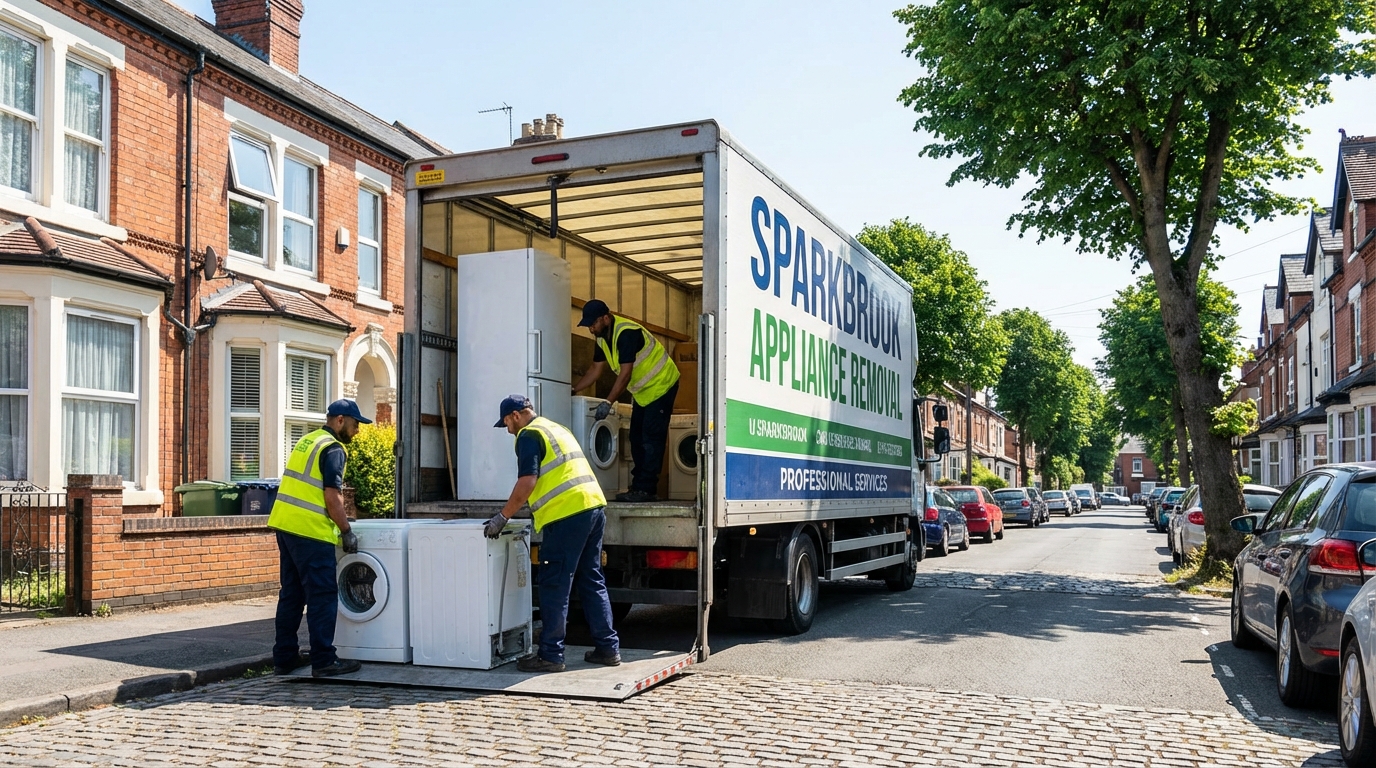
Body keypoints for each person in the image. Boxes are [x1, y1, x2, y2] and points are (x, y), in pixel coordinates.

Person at [486, 394, 620, 672]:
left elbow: (527, 481)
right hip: (593, 507)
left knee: (554, 584)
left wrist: (503, 516)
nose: (508, 429)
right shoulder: (556, 428)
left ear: (516, 415)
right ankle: (608, 649)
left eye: (507, 423)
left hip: (566, 515)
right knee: (591, 579)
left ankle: (551, 655)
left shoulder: (528, 435)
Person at [267, 399, 370, 678]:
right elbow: (332, 496)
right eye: (355, 423)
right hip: (311, 531)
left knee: (291, 595)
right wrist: (346, 530)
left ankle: (284, 657)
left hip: (286, 526)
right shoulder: (333, 448)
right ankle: (324, 660)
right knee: (322, 595)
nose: (357, 430)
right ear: (339, 420)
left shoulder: (307, 440)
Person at [572, 299, 680, 502]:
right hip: (644, 392)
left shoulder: (627, 333)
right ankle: (638, 487)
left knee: (650, 438)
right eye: (588, 325)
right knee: (637, 438)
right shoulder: (602, 339)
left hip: (663, 384)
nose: (591, 329)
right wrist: (573, 389)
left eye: (593, 324)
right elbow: (595, 370)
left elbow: (625, 374)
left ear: (605, 317)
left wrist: (608, 402)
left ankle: (646, 489)